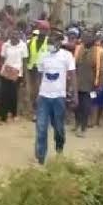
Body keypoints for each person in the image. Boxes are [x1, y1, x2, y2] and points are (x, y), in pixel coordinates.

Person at [35, 31, 77, 165]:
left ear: (59, 43)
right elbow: (39, 76)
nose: (50, 45)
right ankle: (41, 157)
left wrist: (74, 95)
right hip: (44, 97)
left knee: (59, 128)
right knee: (41, 128)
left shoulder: (67, 56)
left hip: (59, 97)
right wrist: (37, 93)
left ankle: (59, 149)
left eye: (52, 42)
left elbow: (73, 75)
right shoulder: (42, 55)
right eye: (49, 42)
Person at [73, 31, 103, 137]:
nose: (85, 39)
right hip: (77, 82)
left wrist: (100, 85)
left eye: (88, 37)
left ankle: (83, 128)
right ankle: (77, 124)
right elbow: (73, 66)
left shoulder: (99, 52)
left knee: (86, 106)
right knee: (76, 106)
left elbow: (102, 70)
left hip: (91, 85)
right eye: (84, 36)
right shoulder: (78, 48)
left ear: (93, 39)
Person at [0, 30, 28, 123]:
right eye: (12, 35)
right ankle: (3, 115)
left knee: (13, 94)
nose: (14, 37)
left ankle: (14, 113)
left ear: (19, 36)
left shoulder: (23, 46)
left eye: (16, 35)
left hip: (17, 73)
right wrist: (3, 70)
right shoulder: (5, 45)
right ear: (10, 36)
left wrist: (24, 76)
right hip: (6, 71)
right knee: (4, 93)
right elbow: (2, 58)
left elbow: (24, 61)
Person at [27, 27, 50, 120]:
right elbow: (27, 55)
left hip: (44, 71)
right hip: (32, 69)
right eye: (41, 30)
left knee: (42, 92)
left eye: (44, 30)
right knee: (33, 92)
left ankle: (41, 112)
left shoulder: (49, 42)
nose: (42, 32)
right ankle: (34, 112)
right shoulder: (31, 41)